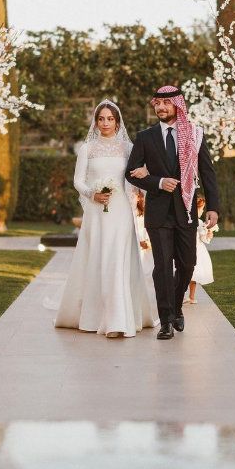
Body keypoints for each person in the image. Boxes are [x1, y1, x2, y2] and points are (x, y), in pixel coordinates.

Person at [54, 100, 158, 338]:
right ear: (96, 121)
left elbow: (135, 177)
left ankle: (119, 319)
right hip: (96, 212)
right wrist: (93, 193)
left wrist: (142, 195)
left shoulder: (128, 148)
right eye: (101, 118)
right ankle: (96, 317)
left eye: (110, 119)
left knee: (118, 260)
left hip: (121, 211)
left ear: (117, 121)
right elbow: (78, 180)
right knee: (99, 259)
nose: (105, 123)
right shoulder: (87, 148)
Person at [125, 85, 219, 340]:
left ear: (177, 105)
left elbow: (208, 173)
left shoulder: (195, 135)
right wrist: (157, 181)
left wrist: (213, 207)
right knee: (163, 267)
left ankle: (176, 306)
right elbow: (130, 171)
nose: (160, 108)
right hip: (157, 212)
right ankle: (166, 320)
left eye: (165, 104)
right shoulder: (145, 137)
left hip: (186, 211)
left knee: (188, 264)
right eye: (157, 104)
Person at [184, 195, 215, 304]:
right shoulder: (187, 220)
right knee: (184, 273)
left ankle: (191, 296)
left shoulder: (201, 223)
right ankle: (181, 294)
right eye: (201, 209)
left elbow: (204, 239)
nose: (202, 211)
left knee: (194, 274)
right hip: (186, 249)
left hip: (198, 250)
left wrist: (208, 235)